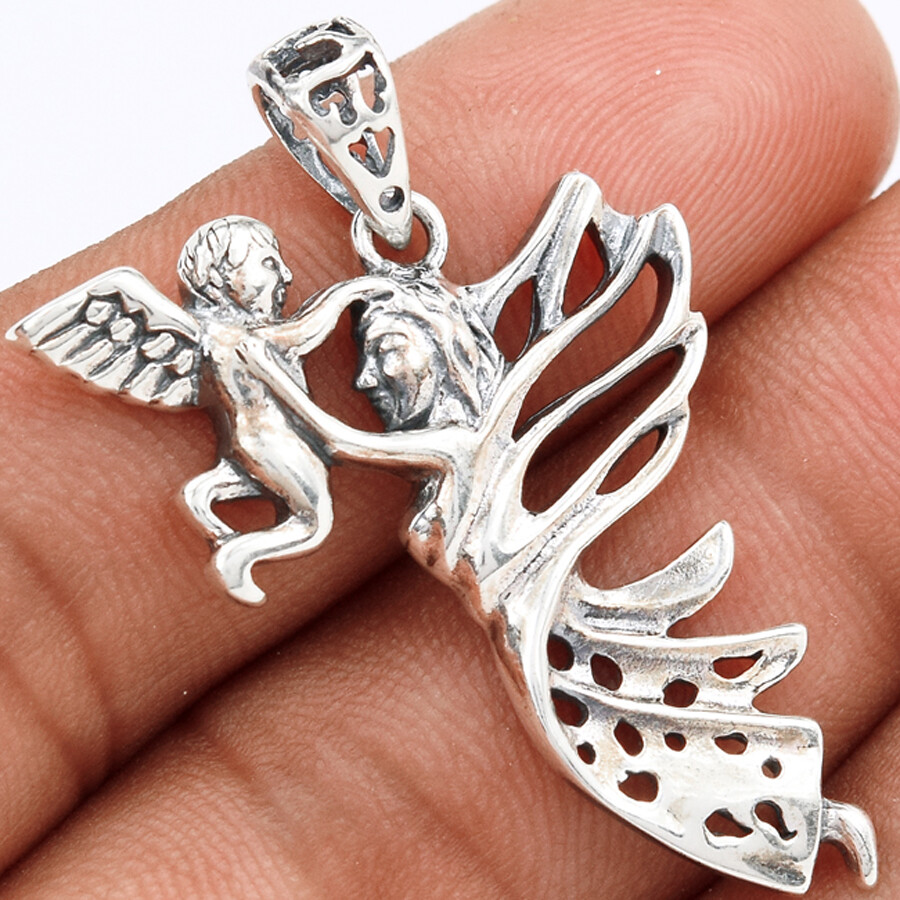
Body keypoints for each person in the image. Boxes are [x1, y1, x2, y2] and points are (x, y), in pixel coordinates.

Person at [0, 0, 896, 895]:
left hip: (513, 569)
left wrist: (326, 419)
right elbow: (326, 340)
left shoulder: (464, 438)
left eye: (387, 357)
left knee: (569, 708)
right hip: (501, 566)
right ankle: (785, 811)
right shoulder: (379, 375)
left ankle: (783, 815)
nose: (368, 378)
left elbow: (356, 434)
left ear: (444, 359)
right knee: (585, 695)